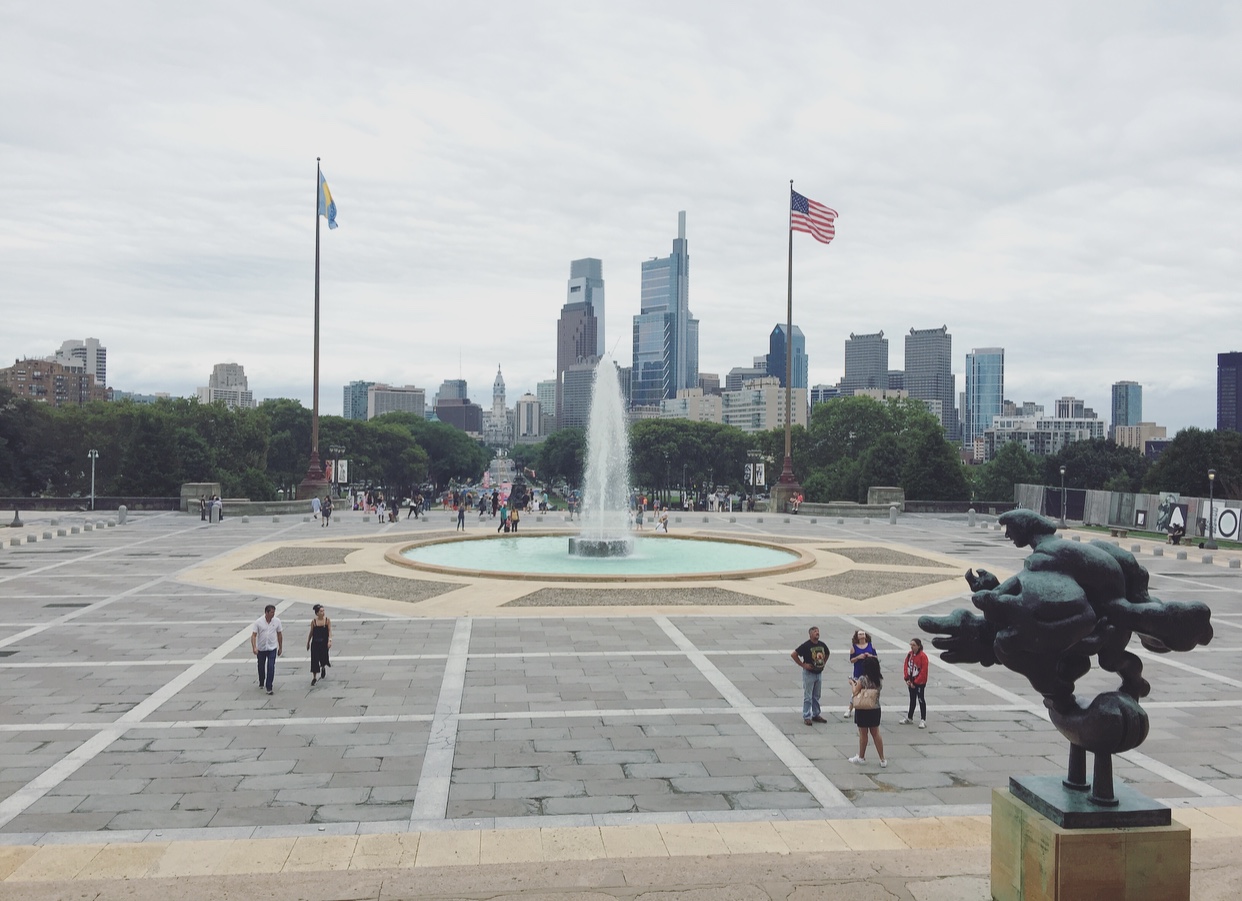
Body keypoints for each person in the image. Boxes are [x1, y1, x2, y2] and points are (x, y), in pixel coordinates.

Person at [849, 655, 886, 767]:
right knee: (876, 733)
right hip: (875, 708)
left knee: (863, 734)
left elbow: (855, 692)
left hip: (863, 708)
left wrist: (852, 683)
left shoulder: (862, 679)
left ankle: (861, 756)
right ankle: (882, 759)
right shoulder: (878, 679)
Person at [791, 626, 830, 725]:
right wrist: (803, 665)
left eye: (818, 631)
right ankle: (806, 715)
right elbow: (794, 654)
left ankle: (816, 714)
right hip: (809, 674)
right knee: (808, 696)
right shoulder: (806, 645)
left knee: (816, 696)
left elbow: (827, 653)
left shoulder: (822, 644)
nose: (817, 633)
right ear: (810, 634)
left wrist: (823, 663)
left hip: (818, 673)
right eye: (815, 631)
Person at [844, 630, 878, 718]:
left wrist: (870, 655)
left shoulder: (871, 645)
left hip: (870, 671)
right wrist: (858, 657)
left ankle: (868, 706)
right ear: (857, 636)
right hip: (859, 671)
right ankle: (850, 709)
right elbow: (851, 660)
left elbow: (876, 657)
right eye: (860, 634)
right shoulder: (854, 648)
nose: (862, 635)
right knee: (856, 691)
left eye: (863, 634)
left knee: (870, 691)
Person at [251, 604, 283, 695]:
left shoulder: (277, 621)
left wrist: (280, 647)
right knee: (261, 666)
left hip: (272, 647)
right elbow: (254, 635)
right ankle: (261, 680)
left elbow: (279, 634)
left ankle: (269, 686)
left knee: (271, 666)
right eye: (271, 612)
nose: (273, 614)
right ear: (266, 612)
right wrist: (254, 647)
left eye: (274, 612)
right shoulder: (258, 622)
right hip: (261, 648)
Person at [900, 638, 929, 728]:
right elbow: (906, 666)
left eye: (914, 645)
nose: (912, 647)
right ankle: (910, 717)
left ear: (918, 646)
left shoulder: (922, 656)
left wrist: (916, 683)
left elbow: (923, 671)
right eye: (911, 645)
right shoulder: (910, 655)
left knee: (921, 699)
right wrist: (907, 679)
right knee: (912, 700)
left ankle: (923, 719)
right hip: (911, 681)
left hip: (919, 682)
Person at [306, 604, 332, 685]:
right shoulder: (313, 622)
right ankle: (314, 677)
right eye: (321, 611)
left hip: (324, 643)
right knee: (314, 659)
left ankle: (323, 667)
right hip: (315, 643)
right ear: (317, 613)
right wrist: (308, 642)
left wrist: (330, 640)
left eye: (323, 611)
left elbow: (329, 631)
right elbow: (311, 632)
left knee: (323, 657)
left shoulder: (327, 620)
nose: (323, 613)